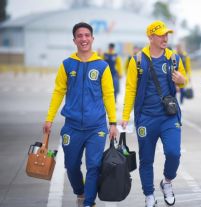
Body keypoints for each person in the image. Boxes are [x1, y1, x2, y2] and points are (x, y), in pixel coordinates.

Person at [42, 22, 118, 207]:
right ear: (74, 40)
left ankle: (88, 202)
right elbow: (58, 92)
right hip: (72, 126)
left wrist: (113, 123)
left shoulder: (102, 66)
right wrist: (49, 118)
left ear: (92, 38)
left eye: (87, 35)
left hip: (96, 127)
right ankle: (81, 192)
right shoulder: (67, 65)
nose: (83, 39)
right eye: (80, 36)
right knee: (72, 165)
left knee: (93, 166)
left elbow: (108, 95)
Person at [121, 20, 187, 207]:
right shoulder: (137, 60)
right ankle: (149, 195)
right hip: (146, 118)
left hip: (169, 117)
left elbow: (183, 81)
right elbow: (130, 89)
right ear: (150, 37)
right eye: (161, 35)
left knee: (174, 153)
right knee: (146, 159)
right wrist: (125, 117)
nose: (165, 38)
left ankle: (167, 182)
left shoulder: (173, 58)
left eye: (167, 35)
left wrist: (183, 80)